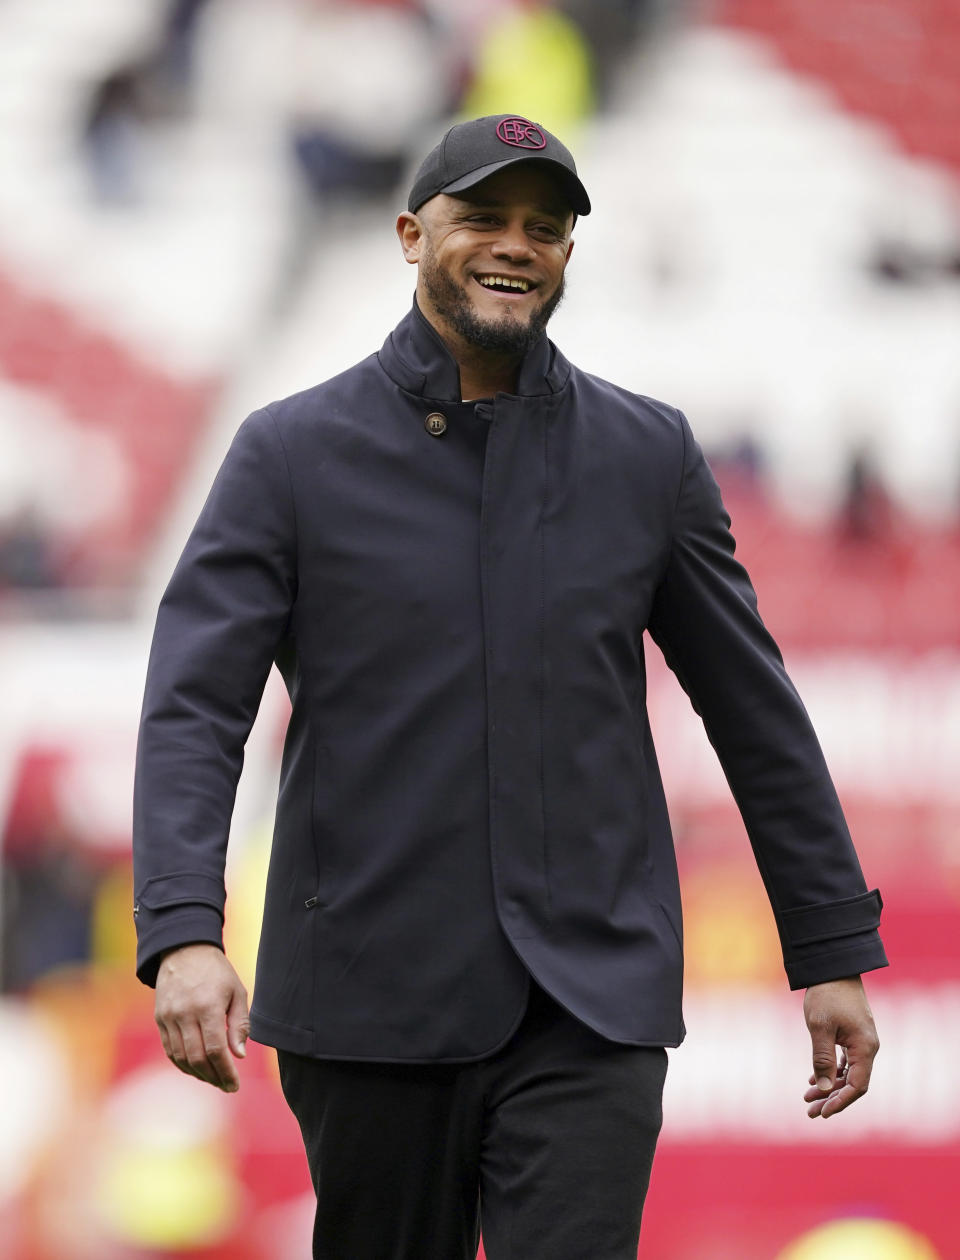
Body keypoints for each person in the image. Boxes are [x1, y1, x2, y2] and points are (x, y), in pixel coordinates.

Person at [133, 114, 887, 1259]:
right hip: (366, 1004)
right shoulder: (287, 455)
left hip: (593, 1006)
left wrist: (829, 944)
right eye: (482, 217)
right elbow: (197, 707)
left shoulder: (650, 457)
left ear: (570, 257)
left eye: (546, 227)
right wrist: (183, 929)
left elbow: (754, 711)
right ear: (409, 233)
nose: (515, 244)